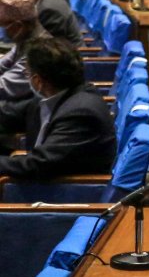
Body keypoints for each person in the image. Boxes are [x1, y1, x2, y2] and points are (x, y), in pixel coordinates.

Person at [0, 36, 116, 181]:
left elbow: (39, 163)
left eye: (27, 73)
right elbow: (8, 114)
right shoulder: (56, 96)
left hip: (64, 193)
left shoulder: (81, 113)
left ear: (37, 81)